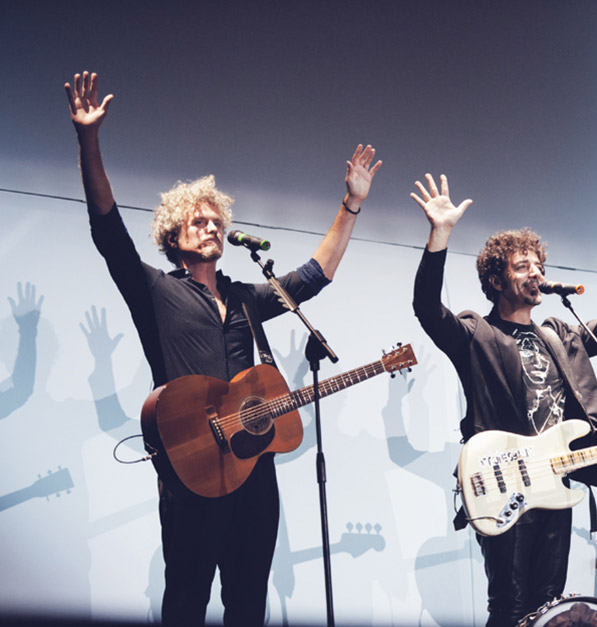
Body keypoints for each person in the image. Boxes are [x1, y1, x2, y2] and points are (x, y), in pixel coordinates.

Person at [65, 70, 381, 626]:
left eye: (217, 221)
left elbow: (315, 275)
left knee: (248, 603)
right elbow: (107, 230)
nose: (211, 226)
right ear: (174, 236)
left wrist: (350, 205)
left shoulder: (245, 297)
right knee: (186, 602)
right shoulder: (156, 290)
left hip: (253, 472)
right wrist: (88, 139)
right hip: (191, 465)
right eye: (198, 221)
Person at [410, 173, 597, 626]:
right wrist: (439, 235)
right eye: (523, 266)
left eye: (539, 266)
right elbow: (428, 309)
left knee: (549, 604)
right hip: (504, 481)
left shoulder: (560, 334)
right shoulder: (476, 333)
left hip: (553, 480)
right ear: (496, 279)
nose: (537, 274)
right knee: (509, 604)